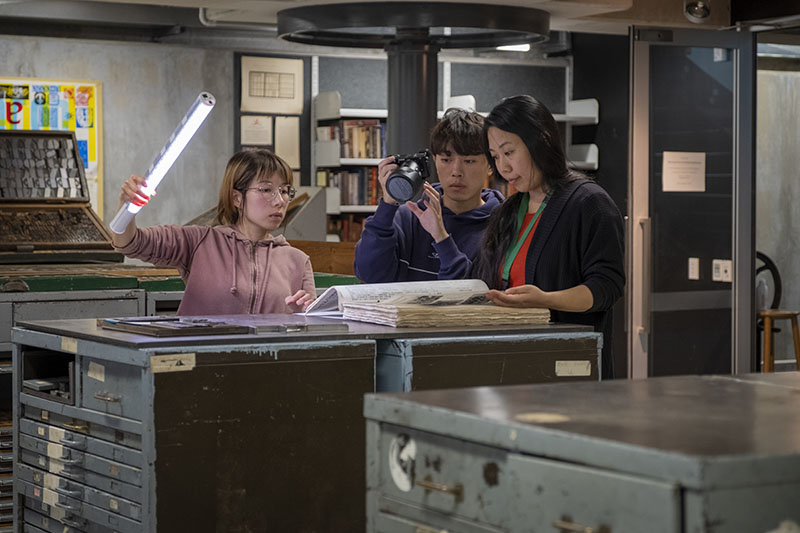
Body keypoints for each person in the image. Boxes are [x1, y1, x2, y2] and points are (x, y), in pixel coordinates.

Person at [474, 95, 624, 379]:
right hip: (509, 362)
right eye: (495, 157)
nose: (503, 168)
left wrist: (546, 299)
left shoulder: (590, 203)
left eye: (509, 152)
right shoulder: (508, 211)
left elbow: (607, 287)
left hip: (567, 366)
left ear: (540, 141)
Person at [112, 149, 315, 315]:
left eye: (285, 191)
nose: (280, 200)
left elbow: (310, 328)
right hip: (202, 360)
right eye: (266, 189)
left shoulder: (297, 260)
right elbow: (129, 243)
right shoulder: (200, 242)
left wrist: (308, 312)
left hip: (264, 362)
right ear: (237, 198)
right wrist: (127, 206)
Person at [354, 108, 504, 282]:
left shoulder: (502, 225)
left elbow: (472, 295)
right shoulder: (409, 217)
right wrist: (387, 205)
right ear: (435, 160)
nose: (456, 171)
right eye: (446, 160)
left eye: (469, 161)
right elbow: (369, 274)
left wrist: (441, 237)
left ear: (490, 165)